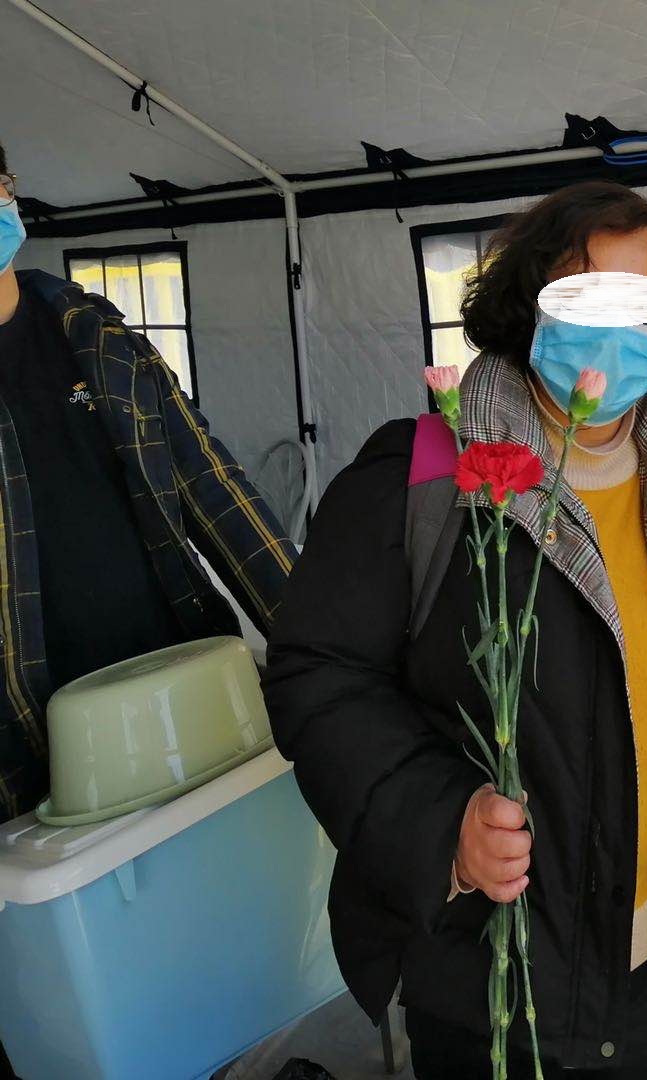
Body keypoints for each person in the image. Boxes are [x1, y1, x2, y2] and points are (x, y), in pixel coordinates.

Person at [262, 180, 647, 1080]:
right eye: (585, 299)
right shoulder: (424, 477)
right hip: (489, 982)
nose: (614, 335)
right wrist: (442, 824)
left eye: (643, 307)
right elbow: (317, 674)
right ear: (530, 307)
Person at [0, 143, 297, 1080]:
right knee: (75, 1007)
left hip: (184, 715)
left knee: (205, 962)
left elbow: (221, 497)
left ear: (7, 192)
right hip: (28, 761)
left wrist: (327, 651)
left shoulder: (96, 339)